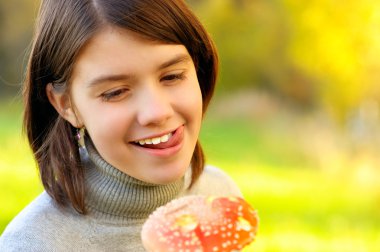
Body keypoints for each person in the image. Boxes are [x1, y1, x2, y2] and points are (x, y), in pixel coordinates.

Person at [0, 0, 242, 251]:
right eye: (115, 92)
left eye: (172, 76)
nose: (157, 112)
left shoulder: (220, 197)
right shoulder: (34, 243)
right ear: (66, 105)